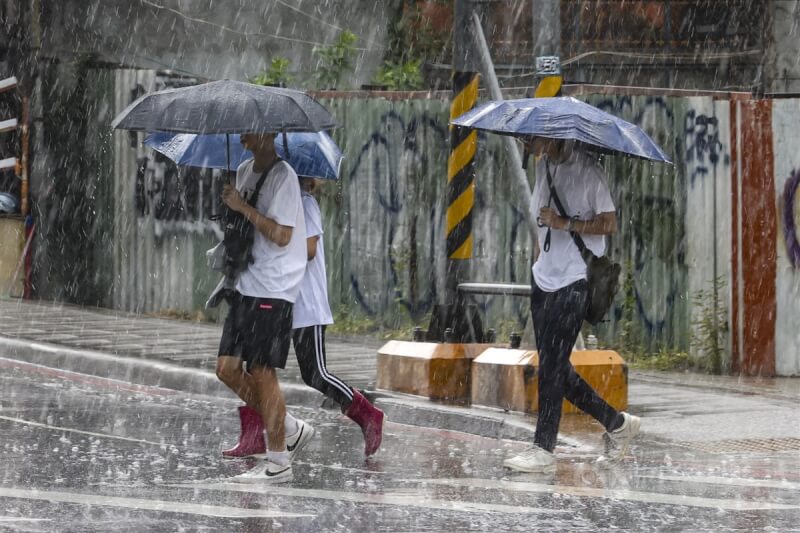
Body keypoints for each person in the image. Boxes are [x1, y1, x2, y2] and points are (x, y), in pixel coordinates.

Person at [503, 137, 641, 474]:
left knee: (552, 368)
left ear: (553, 135)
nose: (525, 142)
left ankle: (543, 448)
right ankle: (617, 422)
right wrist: (539, 266)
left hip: (574, 280)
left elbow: (609, 223)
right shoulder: (543, 166)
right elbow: (540, 227)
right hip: (543, 279)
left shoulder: (588, 171)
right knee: (555, 367)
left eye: (531, 137)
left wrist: (566, 223)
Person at [223, 176, 385, 458]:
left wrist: (273, 235)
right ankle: (253, 435)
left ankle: (367, 413)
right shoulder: (273, 206)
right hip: (275, 299)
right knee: (256, 368)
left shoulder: (306, 204)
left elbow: (309, 249)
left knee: (315, 374)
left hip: (305, 303)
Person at [215, 131, 311, 484]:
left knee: (262, 370)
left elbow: (283, 235)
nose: (242, 132)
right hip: (245, 281)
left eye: (249, 126)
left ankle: (278, 461)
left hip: (273, 285)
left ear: (267, 133)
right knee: (226, 368)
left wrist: (243, 207)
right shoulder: (243, 170)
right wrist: (230, 210)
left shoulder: (284, 176)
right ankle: (288, 426)